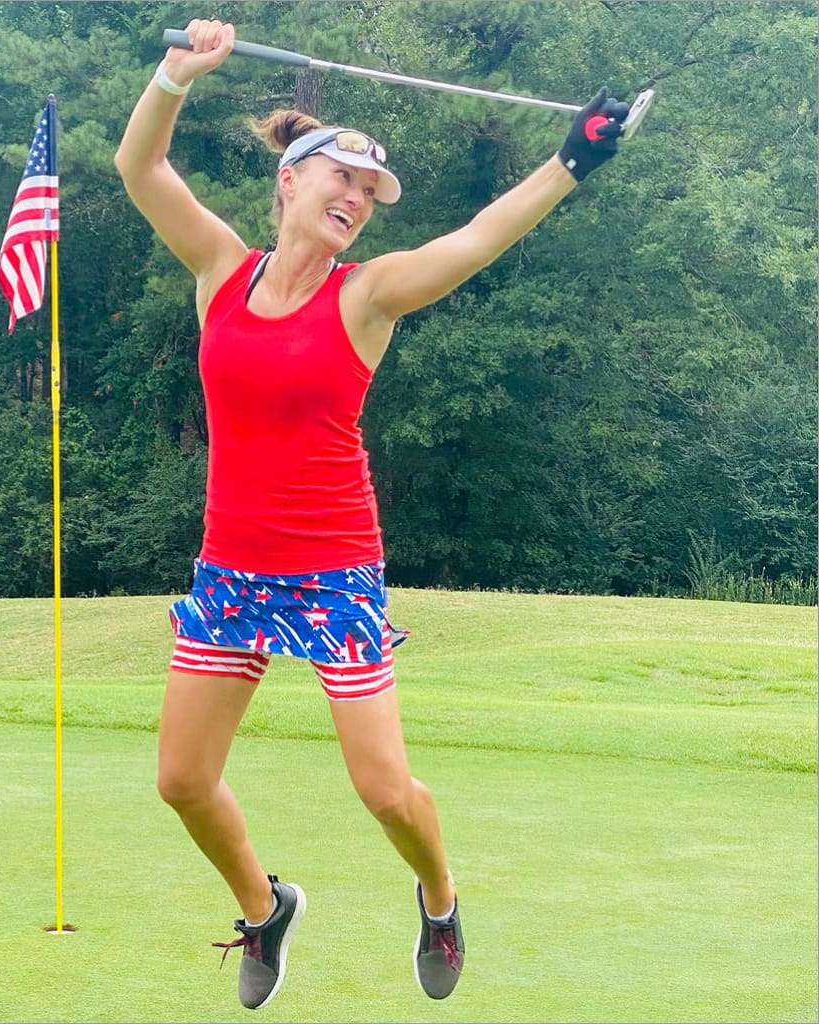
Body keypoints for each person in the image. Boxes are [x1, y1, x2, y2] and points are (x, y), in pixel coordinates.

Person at [114, 17, 628, 1011]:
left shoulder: (368, 298)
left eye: (368, 191)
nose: (355, 198)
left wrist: (571, 159)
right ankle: (266, 908)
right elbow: (140, 168)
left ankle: (437, 895)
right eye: (339, 178)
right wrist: (174, 75)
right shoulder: (221, 269)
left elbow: (476, 239)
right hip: (231, 572)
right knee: (180, 780)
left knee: (385, 792)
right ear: (289, 182)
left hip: (333, 568)